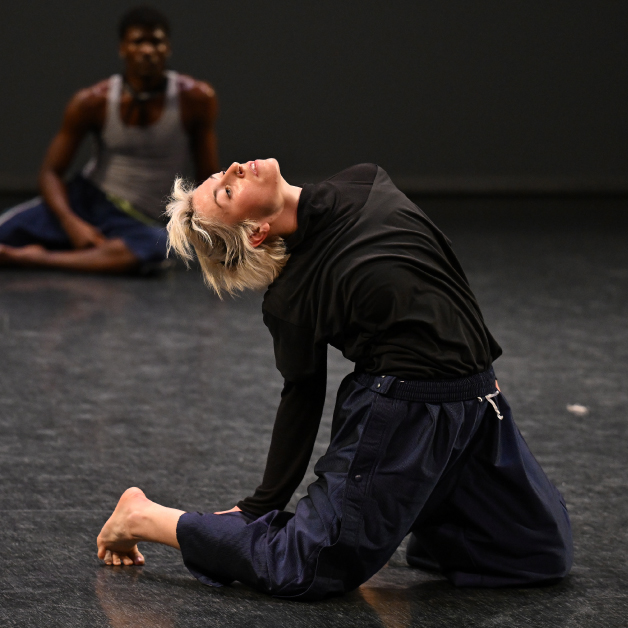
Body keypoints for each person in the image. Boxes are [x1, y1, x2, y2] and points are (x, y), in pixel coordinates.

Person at [97, 160, 573, 600]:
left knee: (535, 554)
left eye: (223, 174)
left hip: (475, 397)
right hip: (401, 412)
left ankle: (391, 514)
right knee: (307, 566)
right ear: (257, 232)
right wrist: (259, 504)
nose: (236, 168)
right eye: (226, 190)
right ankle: (147, 517)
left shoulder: (362, 181)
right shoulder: (292, 297)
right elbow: (301, 394)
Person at [0, 6, 218, 274]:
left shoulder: (195, 99)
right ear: (123, 49)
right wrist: (71, 222)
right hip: (87, 200)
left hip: (139, 218)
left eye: (156, 42)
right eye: (139, 42)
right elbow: (50, 173)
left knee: (158, 245)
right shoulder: (93, 101)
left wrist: (215, 233)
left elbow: (208, 176)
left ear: (168, 49)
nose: (148, 50)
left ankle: (30, 258)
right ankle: (81, 249)